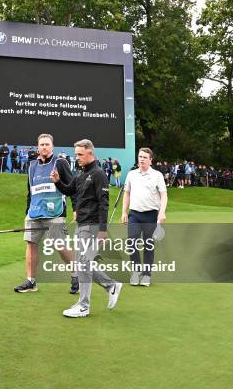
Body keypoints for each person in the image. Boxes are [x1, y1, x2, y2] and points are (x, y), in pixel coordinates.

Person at [51, 139, 122, 318]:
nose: (78, 158)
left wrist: (103, 230)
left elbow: (104, 204)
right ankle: (111, 285)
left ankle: (84, 305)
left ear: (90, 153)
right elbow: (69, 191)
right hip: (82, 224)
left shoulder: (98, 174)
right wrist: (58, 182)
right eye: (76, 155)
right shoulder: (80, 174)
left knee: (83, 263)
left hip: (92, 225)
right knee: (84, 263)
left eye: (80, 154)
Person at [14, 134, 79, 294]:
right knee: (31, 245)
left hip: (55, 212)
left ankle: (76, 274)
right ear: (37, 147)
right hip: (34, 213)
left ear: (52, 147)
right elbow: (30, 191)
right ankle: (31, 281)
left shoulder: (60, 163)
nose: (44, 147)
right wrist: (27, 211)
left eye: (47, 144)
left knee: (60, 246)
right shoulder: (32, 166)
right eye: (41, 144)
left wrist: (75, 208)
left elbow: (72, 186)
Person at [121, 148, 168, 287]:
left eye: (145, 157)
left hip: (151, 214)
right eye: (140, 156)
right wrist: (124, 212)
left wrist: (162, 212)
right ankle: (136, 272)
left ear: (150, 160)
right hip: (134, 214)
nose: (141, 159)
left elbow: (164, 195)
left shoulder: (157, 175)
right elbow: (127, 193)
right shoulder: (131, 174)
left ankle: (146, 275)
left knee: (148, 245)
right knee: (131, 241)